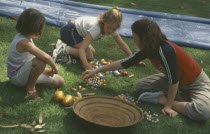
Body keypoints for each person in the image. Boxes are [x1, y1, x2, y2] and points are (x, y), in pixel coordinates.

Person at [82, 18, 210, 121]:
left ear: (143, 38)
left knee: (203, 112)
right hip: (176, 82)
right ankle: (181, 97)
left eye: (134, 36)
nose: (134, 39)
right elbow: (124, 63)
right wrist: (96, 70)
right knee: (141, 86)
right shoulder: (148, 47)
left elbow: (174, 80)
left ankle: (163, 99)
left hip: (196, 83)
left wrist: (168, 105)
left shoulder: (165, 50)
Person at [52, 7, 145, 69]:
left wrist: (133, 59)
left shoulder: (111, 26)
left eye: (113, 29)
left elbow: (121, 43)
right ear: (104, 21)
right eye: (109, 27)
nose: (110, 31)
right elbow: (83, 48)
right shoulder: (96, 28)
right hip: (69, 31)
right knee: (89, 56)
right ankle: (64, 48)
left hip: (77, 33)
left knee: (92, 52)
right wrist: (86, 64)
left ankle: (65, 46)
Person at [7, 8, 64, 99]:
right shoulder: (24, 43)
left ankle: (34, 80)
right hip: (17, 78)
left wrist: (43, 71)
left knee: (60, 81)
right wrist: (54, 68)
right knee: (40, 61)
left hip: (25, 72)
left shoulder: (25, 37)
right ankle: (30, 87)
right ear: (36, 29)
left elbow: (28, 59)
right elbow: (46, 57)